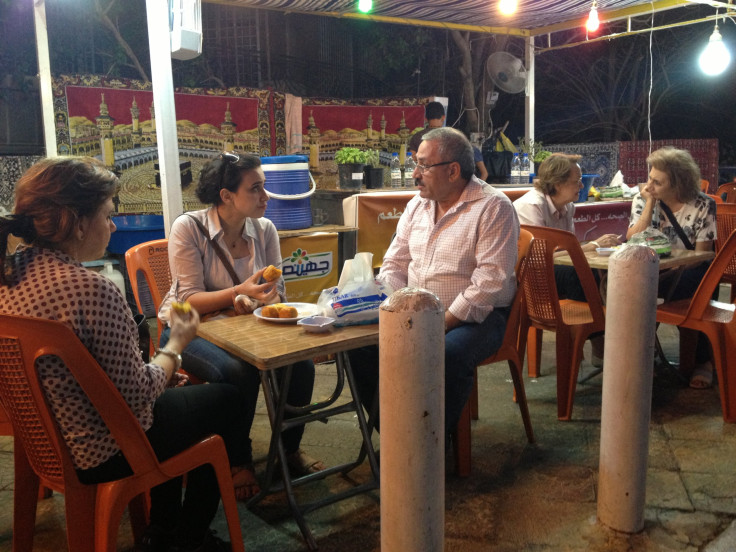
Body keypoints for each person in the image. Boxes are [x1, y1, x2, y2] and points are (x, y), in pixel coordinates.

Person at [0, 156, 248, 552]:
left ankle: (162, 530)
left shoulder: (9, 278)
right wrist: (176, 346)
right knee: (228, 401)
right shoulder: (91, 289)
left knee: (177, 402)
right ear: (77, 222)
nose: (113, 226)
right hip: (104, 447)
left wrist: (162, 372)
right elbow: (138, 395)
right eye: (107, 215)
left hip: (48, 438)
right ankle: (189, 537)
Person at [158, 151, 325, 499]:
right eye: (256, 189)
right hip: (190, 328)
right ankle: (238, 459)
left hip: (244, 326)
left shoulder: (264, 230)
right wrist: (238, 291)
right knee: (239, 373)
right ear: (226, 196)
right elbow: (187, 299)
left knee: (301, 365)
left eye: (264, 187)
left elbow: (275, 291)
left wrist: (258, 298)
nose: (266, 197)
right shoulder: (189, 228)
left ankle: (287, 449)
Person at [349, 127, 520, 439]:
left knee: (447, 354)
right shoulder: (418, 204)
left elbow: (489, 284)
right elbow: (395, 263)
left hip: (480, 317)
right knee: (358, 348)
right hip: (415, 312)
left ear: (453, 170)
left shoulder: (493, 207)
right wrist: (387, 307)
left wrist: (441, 322)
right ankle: (397, 438)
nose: (415, 174)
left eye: (423, 166)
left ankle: (429, 446)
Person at [513, 153, 621, 367]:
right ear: (557, 183)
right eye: (576, 181)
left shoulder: (567, 207)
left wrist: (590, 248)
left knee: (601, 274)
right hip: (529, 275)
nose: (582, 186)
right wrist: (592, 245)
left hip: (552, 268)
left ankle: (593, 339)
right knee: (580, 275)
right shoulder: (531, 206)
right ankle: (591, 337)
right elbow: (541, 257)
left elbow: (565, 250)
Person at [627, 147, 717, 388]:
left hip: (692, 270)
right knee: (631, 291)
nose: (649, 185)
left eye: (658, 182)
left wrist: (670, 264)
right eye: (650, 178)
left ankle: (703, 362)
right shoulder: (643, 198)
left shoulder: (703, 204)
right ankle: (643, 357)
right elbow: (632, 239)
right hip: (653, 271)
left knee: (664, 290)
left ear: (678, 184)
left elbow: (701, 254)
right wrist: (649, 203)